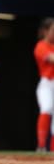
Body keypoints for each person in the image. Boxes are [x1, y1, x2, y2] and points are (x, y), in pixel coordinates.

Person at [35, 18, 54, 152]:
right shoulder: (41, 46)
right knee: (46, 108)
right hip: (46, 83)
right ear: (46, 31)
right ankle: (41, 146)